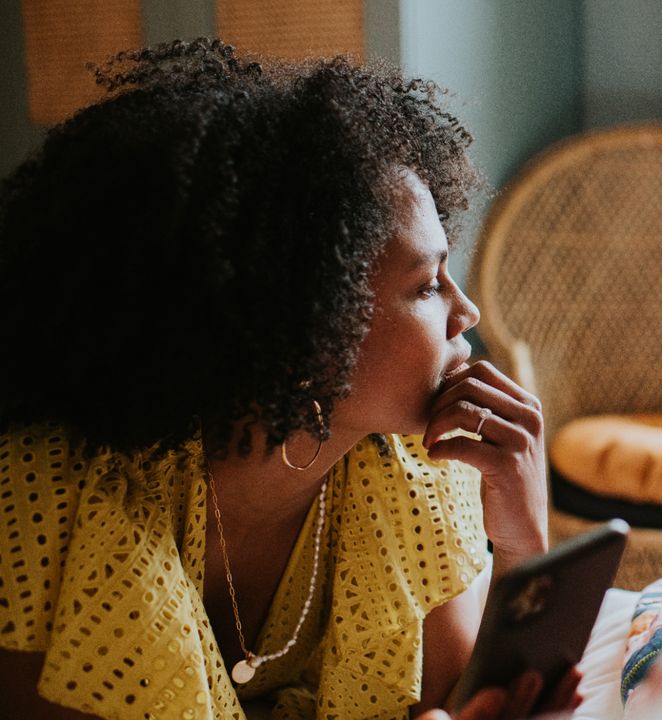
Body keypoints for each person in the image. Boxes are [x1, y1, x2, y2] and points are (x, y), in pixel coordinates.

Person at [0, 38, 574, 720]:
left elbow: (473, 704)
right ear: (306, 320)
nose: (466, 311)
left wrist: (520, 541)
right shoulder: (49, 500)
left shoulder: (414, 473)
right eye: (426, 285)